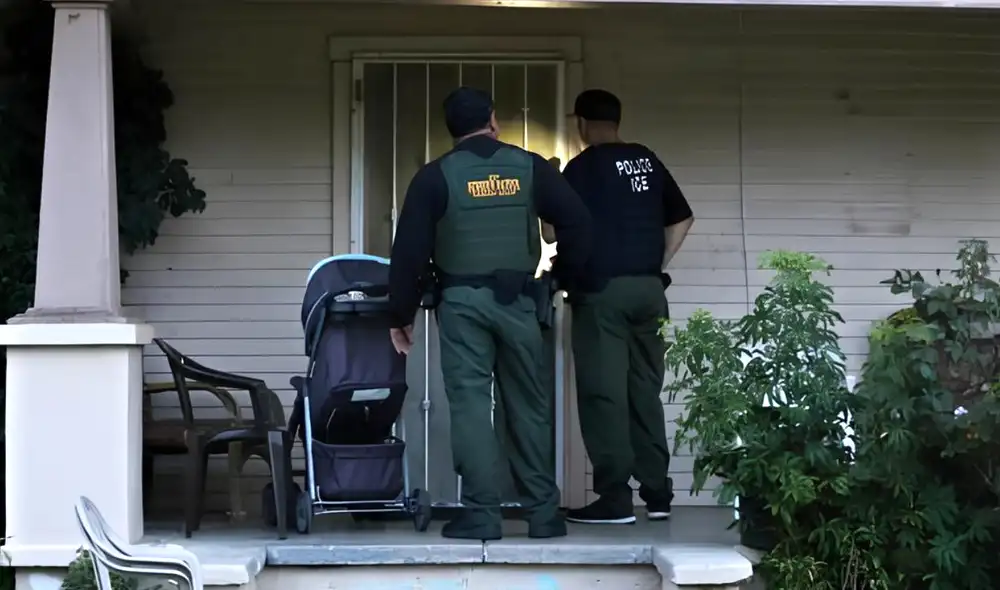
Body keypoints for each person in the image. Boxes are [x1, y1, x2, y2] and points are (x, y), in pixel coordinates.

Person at [387, 86, 593, 541]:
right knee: (529, 407)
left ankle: (482, 515)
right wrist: (560, 278)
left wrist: (400, 314)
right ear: (493, 121)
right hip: (519, 301)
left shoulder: (435, 176)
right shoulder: (530, 167)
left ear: (452, 131)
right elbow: (579, 221)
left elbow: (408, 253)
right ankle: (543, 515)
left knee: (472, 408)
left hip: (461, 304)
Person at [561, 89, 694, 525]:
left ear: (581, 123)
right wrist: (655, 265)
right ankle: (657, 494)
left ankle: (615, 498)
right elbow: (682, 217)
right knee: (644, 391)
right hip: (649, 291)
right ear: (617, 120)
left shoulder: (583, 167)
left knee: (605, 394)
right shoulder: (647, 160)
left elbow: (549, 230)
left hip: (604, 292)